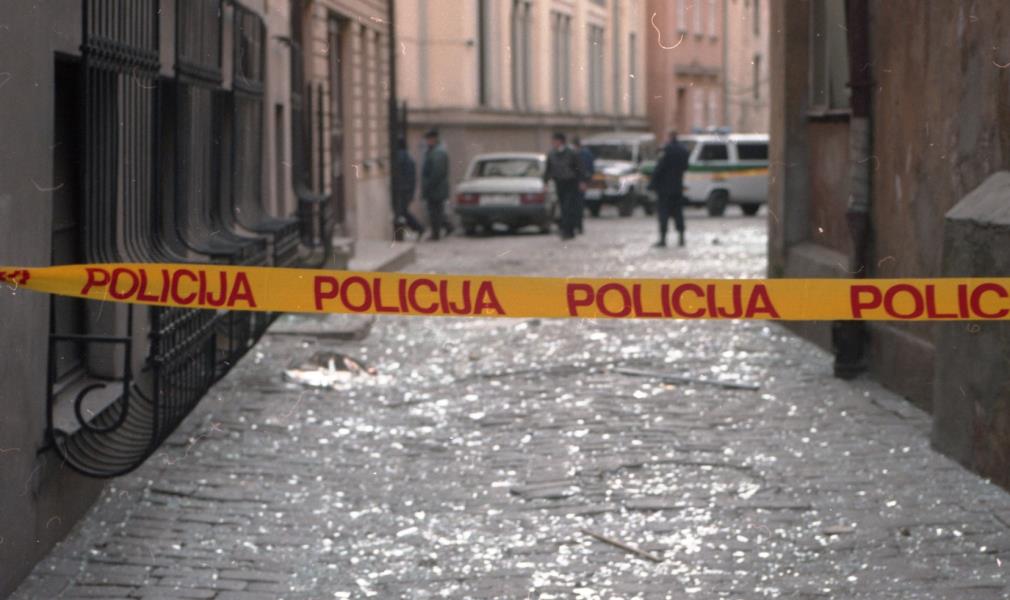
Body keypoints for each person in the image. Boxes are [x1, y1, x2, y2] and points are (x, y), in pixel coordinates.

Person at [648, 130, 691, 247]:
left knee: (663, 214)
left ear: (670, 137)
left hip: (664, 189)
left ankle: (663, 239)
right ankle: (681, 238)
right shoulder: (683, 150)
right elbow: (686, 167)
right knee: (678, 213)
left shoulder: (666, 150)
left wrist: (652, 184)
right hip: (677, 187)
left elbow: (659, 168)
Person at [543, 132, 587, 241]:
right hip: (559, 182)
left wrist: (582, 181)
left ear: (560, 141)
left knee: (569, 206)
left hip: (571, 182)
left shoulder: (571, 153)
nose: (553, 143)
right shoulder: (552, 154)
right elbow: (548, 169)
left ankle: (568, 230)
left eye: (555, 140)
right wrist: (545, 182)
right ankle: (567, 230)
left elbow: (579, 167)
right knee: (563, 206)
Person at [421, 129, 454, 240]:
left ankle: (436, 233)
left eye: (429, 139)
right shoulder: (434, 151)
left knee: (435, 212)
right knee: (436, 211)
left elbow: (437, 172)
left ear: (434, 139)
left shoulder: (438, 153)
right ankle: (446, 228)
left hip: (436, 188)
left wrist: (429, 185)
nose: (427, 141)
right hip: (436, 188)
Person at [392, 138, 425, 240]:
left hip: (402, 190)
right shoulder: (409, 158)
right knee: (403, 212)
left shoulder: (400, 157)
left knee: (401, 212)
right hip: (408, 190)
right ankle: (416, 229)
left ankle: (417, 228)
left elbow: (399, 174)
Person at [572, 136, 595, 234]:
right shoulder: (581, 153)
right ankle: (577, 226)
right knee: (577, 205)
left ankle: (578, 226)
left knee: (578, 205)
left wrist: (584, 181)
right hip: (577, 182)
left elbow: (587, 169)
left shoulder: (583, 154)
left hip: (580, 182)